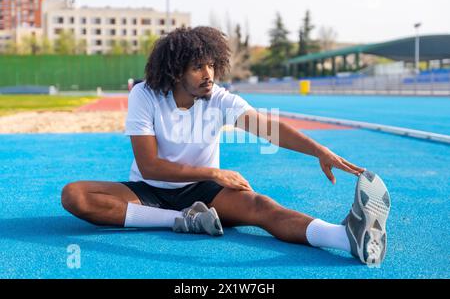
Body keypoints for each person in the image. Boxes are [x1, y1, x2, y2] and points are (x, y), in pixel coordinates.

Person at [61, 26, 390, 266]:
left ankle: (345, 237)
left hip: (205, 194)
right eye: (197, 67)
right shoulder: (144, 95)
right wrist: (215, 173)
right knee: (75, 196)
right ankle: (181, 220)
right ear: (175, 72)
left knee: (262, 207)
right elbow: (150, 166)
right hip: (150, 189)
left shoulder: (217, 97)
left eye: (211, 65)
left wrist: (319, 150)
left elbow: (267, 127)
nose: (208, 75)